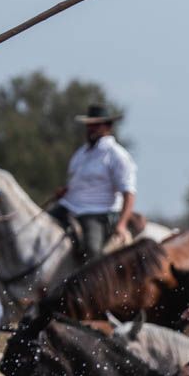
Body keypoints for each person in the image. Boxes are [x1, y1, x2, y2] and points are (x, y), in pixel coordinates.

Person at [51, 103, 137, 263]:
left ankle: (95, 285)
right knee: (39, 226)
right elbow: (77, 181)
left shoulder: (116, 155)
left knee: (92, 251)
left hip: (97, 212)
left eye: (96, 125)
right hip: (69, 206)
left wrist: (122, 224)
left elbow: (129, 193)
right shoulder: (81, 153)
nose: (91, 129)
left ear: (107, 126)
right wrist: (65, 191)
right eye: (89, 125)